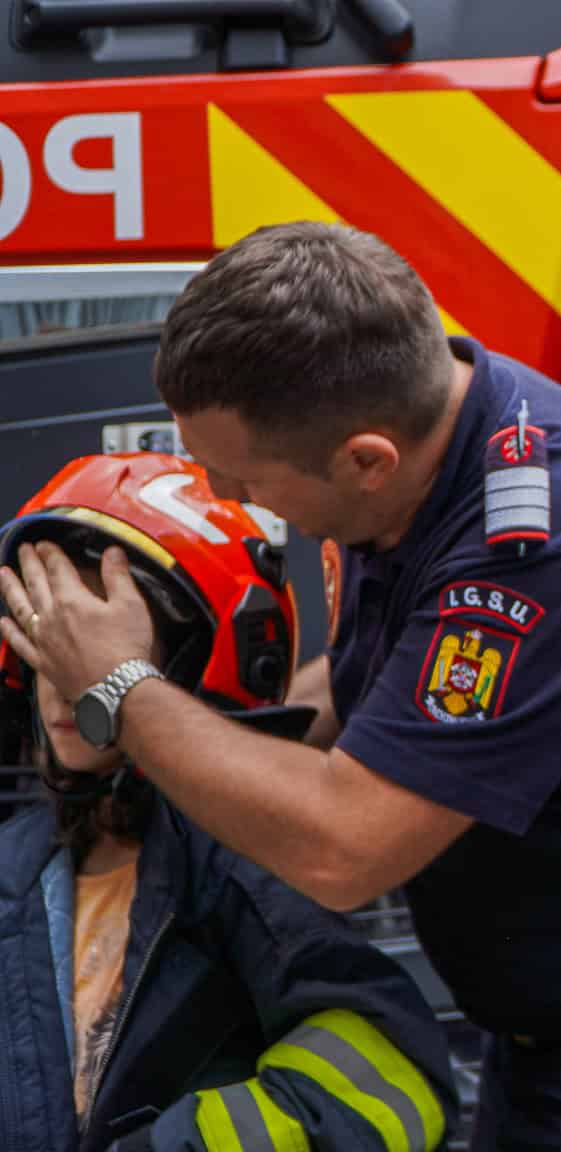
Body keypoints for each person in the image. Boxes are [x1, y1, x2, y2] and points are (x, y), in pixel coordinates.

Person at [0, 223, 561, 1150]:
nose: (227, 493)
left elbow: (346, 846)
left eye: (246, 479)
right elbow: (396, 693)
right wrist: (205, 721)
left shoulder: (537, 544)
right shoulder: (437, 441)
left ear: (367, 460)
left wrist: (119, 687)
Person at [0, 452, 453, 1152]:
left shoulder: (241, 861)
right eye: (47, 633)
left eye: (97, 639)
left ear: (200, 655)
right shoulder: (14, 864)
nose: (63, 676)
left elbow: (392, 1084)